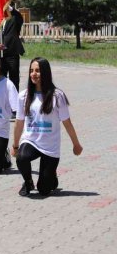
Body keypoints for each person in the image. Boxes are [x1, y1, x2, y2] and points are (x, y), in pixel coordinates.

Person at [11, 57, 83, 197]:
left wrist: (76, 144)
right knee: (21, 158)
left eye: (37, 70)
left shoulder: (57, 96)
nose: (34, 74)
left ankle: (51, 177)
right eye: (31, 70)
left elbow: (67, 122)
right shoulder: (23, 96)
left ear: (45, 72)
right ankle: (28, 182)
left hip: (50, 147)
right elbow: (19, 122)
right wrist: (15, 146)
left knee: (44, 190)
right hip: (31, 140)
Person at [0, 6, 24, 93]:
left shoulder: (14, 18)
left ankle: (14, 100)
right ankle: (2, 97)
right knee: (0, 77)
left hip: (12, 53)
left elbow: (20, 18)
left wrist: (12, 10)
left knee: (14, 78)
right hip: (0, 55)